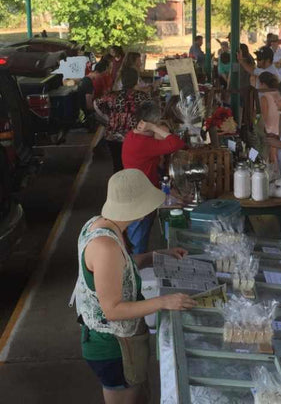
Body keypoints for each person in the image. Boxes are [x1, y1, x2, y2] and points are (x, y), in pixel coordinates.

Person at [76, 169, 196, 404]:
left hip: (121, 341)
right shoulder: (105, 246)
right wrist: (164, 301)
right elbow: (113, 309)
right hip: (114, 346)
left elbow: (122, 268)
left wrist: (156, 255)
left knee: (138, 394)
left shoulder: (101, 225)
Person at [122, 102, 185, 254]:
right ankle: (135, 273)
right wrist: (155, 128)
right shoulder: (144, 144)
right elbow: (177, 143)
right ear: (149, 124)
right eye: (158, 122)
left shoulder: (132, 136)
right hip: (139, 200)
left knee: (138, 241)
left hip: (138, 193)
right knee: (137, 246)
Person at [94, 68, 150, 173]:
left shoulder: (112, 95)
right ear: (136, 80)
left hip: (113, 136)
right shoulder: (142, 96)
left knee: (117, 165)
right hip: (133, 137)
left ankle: (118, 186)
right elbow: (150, 112)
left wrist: (107, 117)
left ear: (122, 80)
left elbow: (96, 103)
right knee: (133, 166)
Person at [258, 72, 280, 162]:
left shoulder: (265, 97)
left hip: (269, 133)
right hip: (279, 131)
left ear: (262, 84)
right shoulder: (278, 94)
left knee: (271, 160)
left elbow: (264, 118)